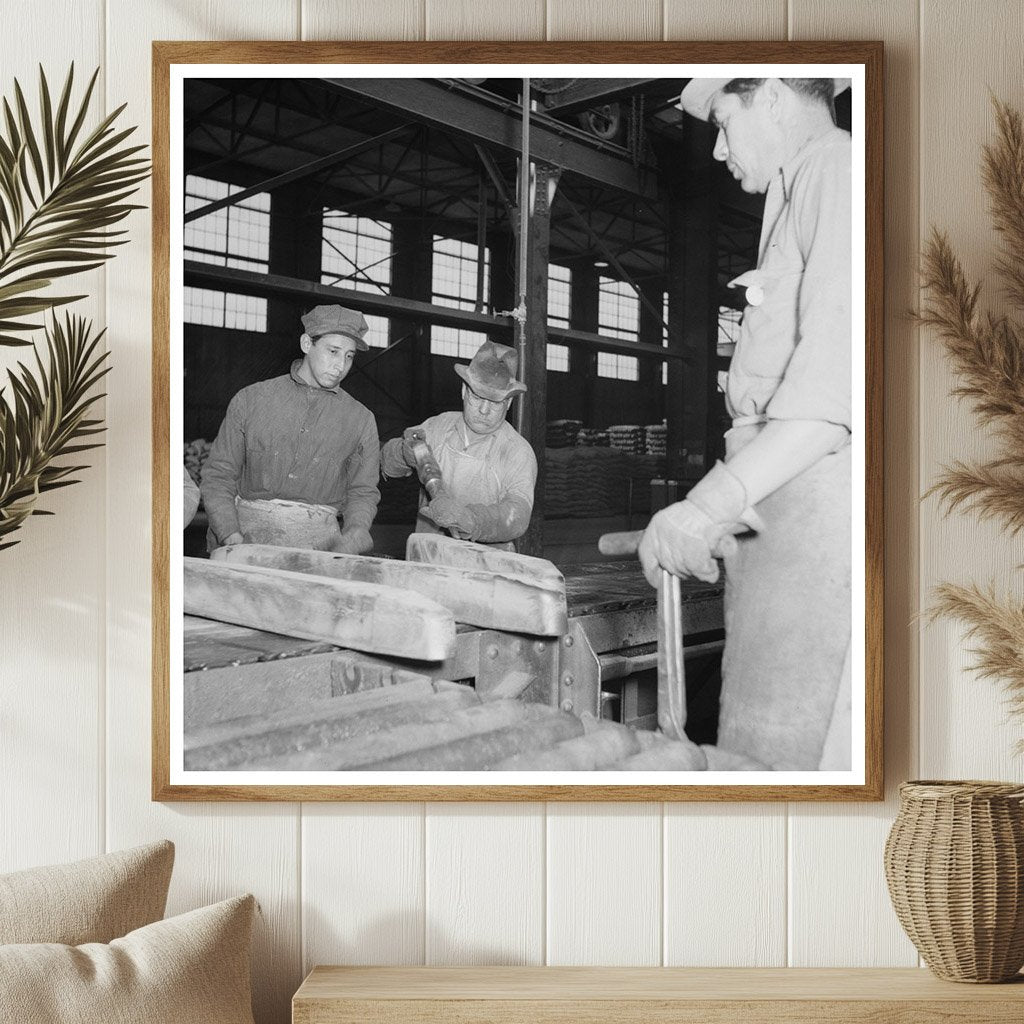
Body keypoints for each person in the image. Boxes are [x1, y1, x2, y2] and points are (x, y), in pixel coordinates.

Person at [639, 77, 853, 770]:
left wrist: (707, 506)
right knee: (753, 746)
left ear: (772, 97)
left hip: (819, 504)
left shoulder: (836, 171)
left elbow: (830, 399)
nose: (721, 150)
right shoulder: (793, 192)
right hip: (784, 503)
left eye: (726, 123)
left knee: (786, 755)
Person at [200, 304, 380, 554]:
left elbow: (363, 490)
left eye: (349, 356)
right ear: (307, 344)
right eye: (333, 351)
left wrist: (357, 529)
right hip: (246, 538)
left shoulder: (361, 419)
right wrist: (230, 535)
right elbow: (219, 474)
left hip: (320, 546)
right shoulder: (251, 400)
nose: (341, 366)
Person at [380, 339, 537, 551]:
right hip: (428, 555)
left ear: (508, 403)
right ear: (464, 391)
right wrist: (401, 452)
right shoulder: (437, 427)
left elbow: (517, 514)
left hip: (487, 564)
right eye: (477, 397)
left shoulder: (517, 451)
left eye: (495, 402)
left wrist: (472, 520)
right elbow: (385, 463)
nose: (483, 410)